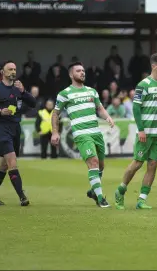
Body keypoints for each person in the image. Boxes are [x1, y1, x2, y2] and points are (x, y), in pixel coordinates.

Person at [51, 62, 114, 208]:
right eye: (78, 71)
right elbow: (55, 113)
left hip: (96, 133)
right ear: (71, 74)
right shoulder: (64, 94)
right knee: (93, 162)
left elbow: (100, 108)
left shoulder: (92, 91)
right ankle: (100, 198)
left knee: (101, 166)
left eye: (83, 71)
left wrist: (108, 117)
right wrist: (55, 131)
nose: (82, 73)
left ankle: (93, 191)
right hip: (81, 134)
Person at [114, 53, 157, 210]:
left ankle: (142, 200)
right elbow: (136, 107)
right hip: (146, 132)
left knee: (153, 165)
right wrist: (141, 130)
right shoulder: (143, 85)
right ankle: (121, 190)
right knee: (137, 163)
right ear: (154, 66)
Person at [0, 61, 36, 206]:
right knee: (12, 162)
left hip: (15, 128)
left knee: (3, 166)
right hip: (1, 128)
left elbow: (33, 103)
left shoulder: (18, 88)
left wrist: (24, 92)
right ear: (2, 72)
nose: (13, 72)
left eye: (14, 69)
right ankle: (22, 197)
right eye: (10, 69)